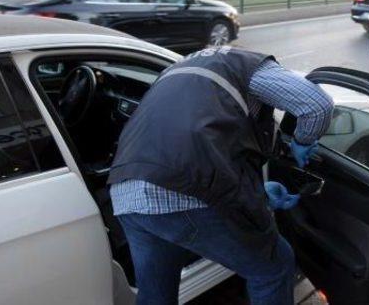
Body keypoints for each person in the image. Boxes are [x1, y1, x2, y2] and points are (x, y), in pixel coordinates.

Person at [108, 46, 334, 305]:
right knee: (273, 268)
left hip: (127, 190)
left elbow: (210, 147)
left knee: (156, 295)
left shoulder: (179, 71)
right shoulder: (249, 67)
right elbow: (317, 106)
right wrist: (303, 140)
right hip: (182, 191)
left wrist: (259, 193)